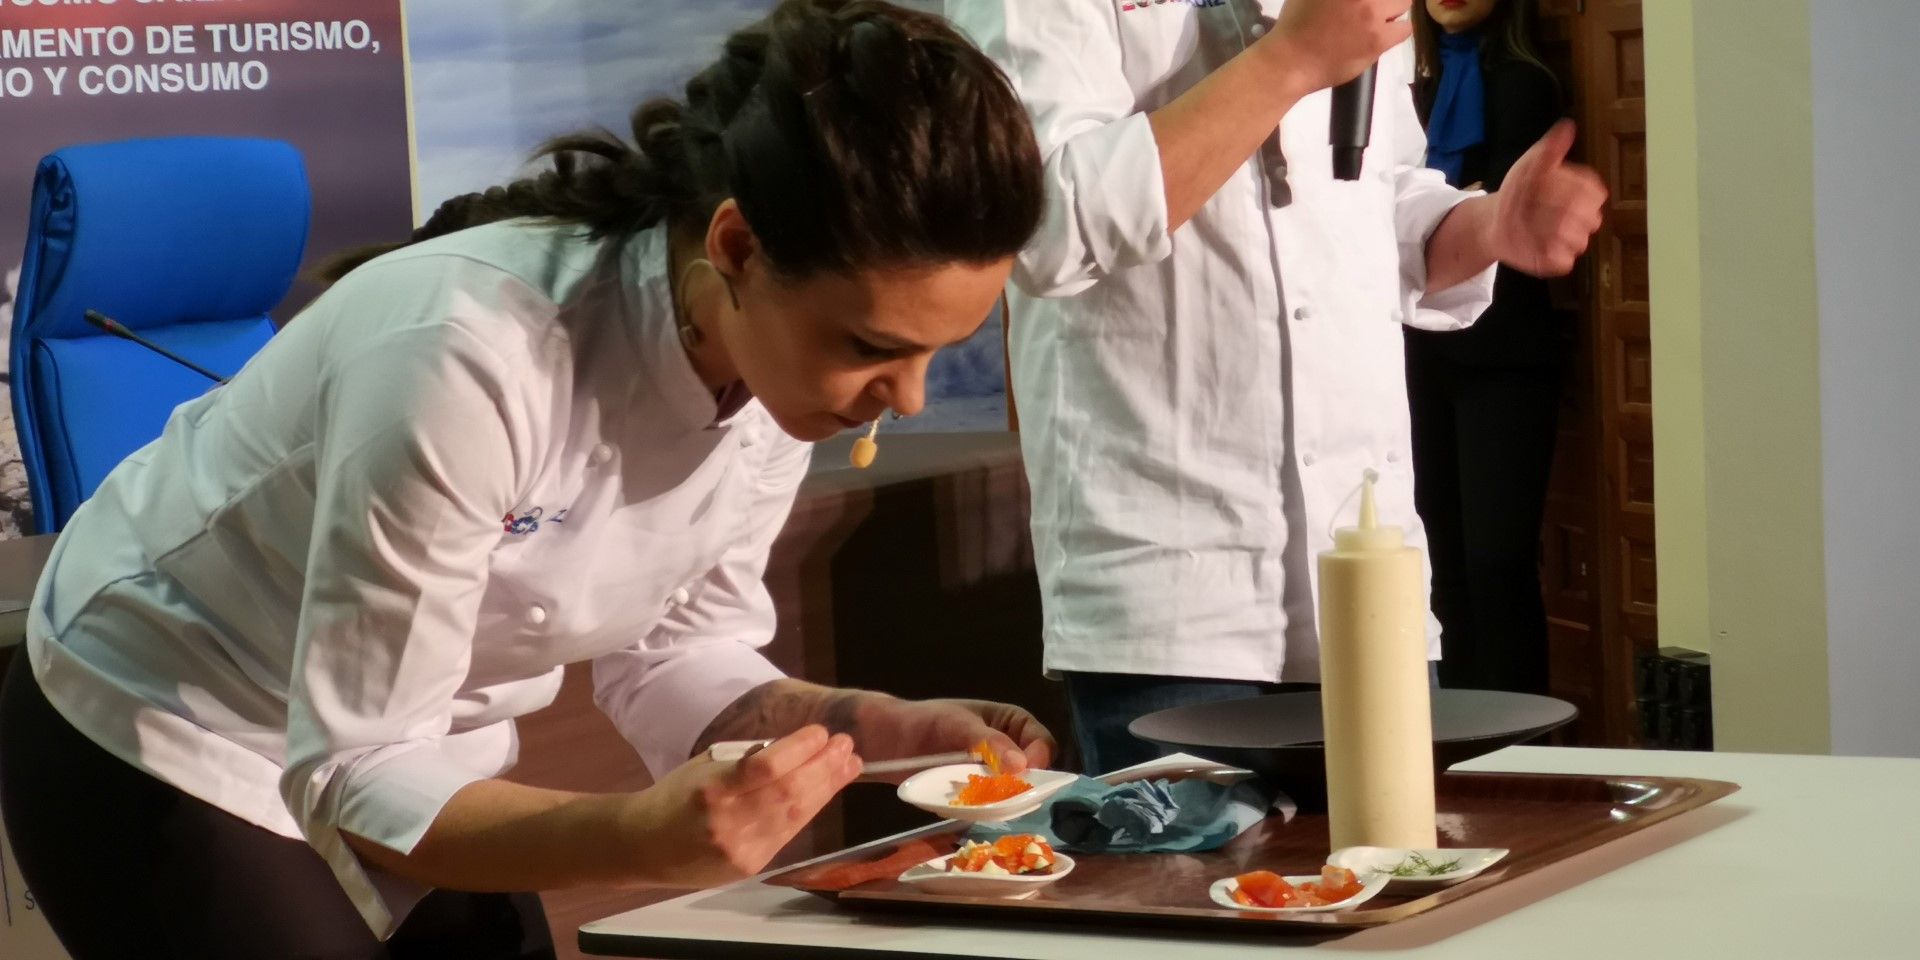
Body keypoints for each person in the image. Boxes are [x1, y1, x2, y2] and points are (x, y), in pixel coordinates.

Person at [0, 2, 1052, 957]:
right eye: (875, 346)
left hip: (404, 740)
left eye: (935, 351)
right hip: (173, 724)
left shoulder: (769, 362)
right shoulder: (467, 355)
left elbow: (678, 655)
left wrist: (874, 727)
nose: (904, 398)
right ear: (737, 243)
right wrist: (641, 836)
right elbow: (357, 765)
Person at [944, 0, 1606, 773]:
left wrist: (1491, 225)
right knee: (1183, 888)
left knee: (1404, 885)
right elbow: (1046, 222)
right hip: (1170, 587)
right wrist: (1290, 60)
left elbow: (1377, 203)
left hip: (1366, 575)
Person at [1405, 0, 1571, 697]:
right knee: (1436, 563)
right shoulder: (1405, 86)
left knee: (1497, 559)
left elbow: (1503, 209)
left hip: (1505, 356)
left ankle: (1522, 744)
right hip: (1418, 350)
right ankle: (1456, 743)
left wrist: (1455, 213)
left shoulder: (1527, 82)